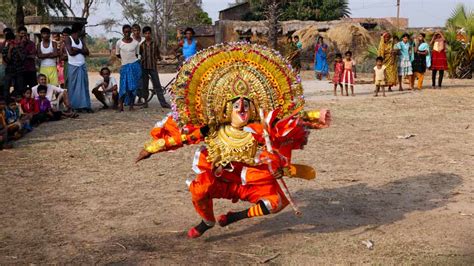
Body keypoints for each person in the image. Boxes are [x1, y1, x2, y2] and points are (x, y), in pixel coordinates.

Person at [135, 43, 331, 239]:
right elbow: (183, 138)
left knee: (276, 202)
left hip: (250, 181)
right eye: (236, 105)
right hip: (219, 179)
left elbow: (286, 124)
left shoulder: (260, 128)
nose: (241, 109)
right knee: (199, 189)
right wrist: (151, 148)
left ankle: (236, 216)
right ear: (226, 108)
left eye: (246, 105)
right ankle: (207, 221)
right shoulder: (212, 129)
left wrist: (314, 117)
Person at [139, 26, 171, 109]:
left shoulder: (155, 43)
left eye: (149, 33)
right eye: (145, 33)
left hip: (153, 67)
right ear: (143, 34)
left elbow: (157, 54)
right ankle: (145, 103)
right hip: (144, 67)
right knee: (144, 86)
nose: (147, 35)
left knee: (157, 86)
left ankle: (163, 103)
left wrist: (163, 60)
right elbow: (140, 55)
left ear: (151, 33)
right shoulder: (141, 45)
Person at [64, 23, 92, 113]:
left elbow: (87, 52)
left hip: (82, 65)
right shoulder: (68, 39)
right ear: (78, 30)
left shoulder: (81, 40)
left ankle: (85, 105)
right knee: (73, 87)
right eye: (82, 29)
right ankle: (74, 106)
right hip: (73, 66)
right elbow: (70, 52)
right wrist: (81, 51)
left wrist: (78, 50)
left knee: (84, 86)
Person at [116, 24, 142, 112]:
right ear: (123, 32)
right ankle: (120, 106)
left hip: (134, 65)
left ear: (131, 32)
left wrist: (134, 62)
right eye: (125, 32)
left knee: (133, 87)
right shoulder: (119, 42)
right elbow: (117, 54)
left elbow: (138, 54)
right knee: (123, 86)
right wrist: (125, 61)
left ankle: (131, 105)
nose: (127, 33)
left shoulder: (135, 43)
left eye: (128, 32)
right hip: (124, 66)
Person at [2, 31, 24, 99]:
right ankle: (6, 101)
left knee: (19, 88)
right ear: (7, 40)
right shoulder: (5, 49)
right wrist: (10, 50)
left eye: (12, 40)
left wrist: (17, 49)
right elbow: (7, 60)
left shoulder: (19, 47)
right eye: (9, 40)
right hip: (9, 70)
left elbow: (23, 58)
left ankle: (16, 101)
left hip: (19, 70)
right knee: (6, 88)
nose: (11, 42)